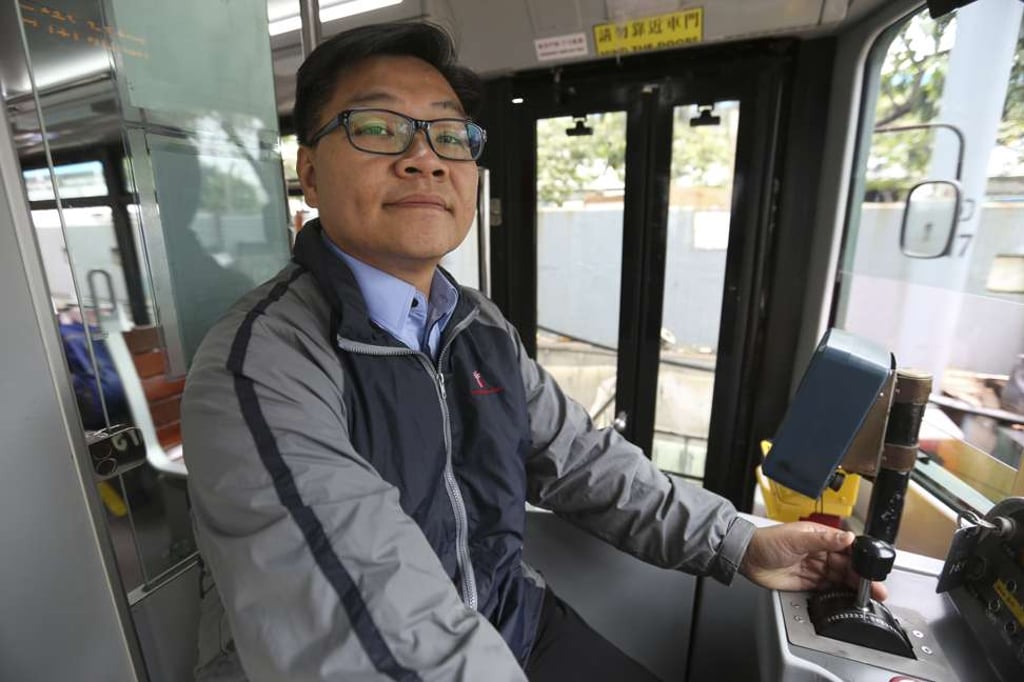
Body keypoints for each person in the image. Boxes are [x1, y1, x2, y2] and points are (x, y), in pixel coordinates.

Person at [182, 21, 885, 682]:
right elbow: (362, 605)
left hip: (512, 618)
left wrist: (739, 540)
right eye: (378, 127)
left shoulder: (475, 326)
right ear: (308, 171)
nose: (424, 158)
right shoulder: (264, 364)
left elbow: (581, 460)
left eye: (451, 135)